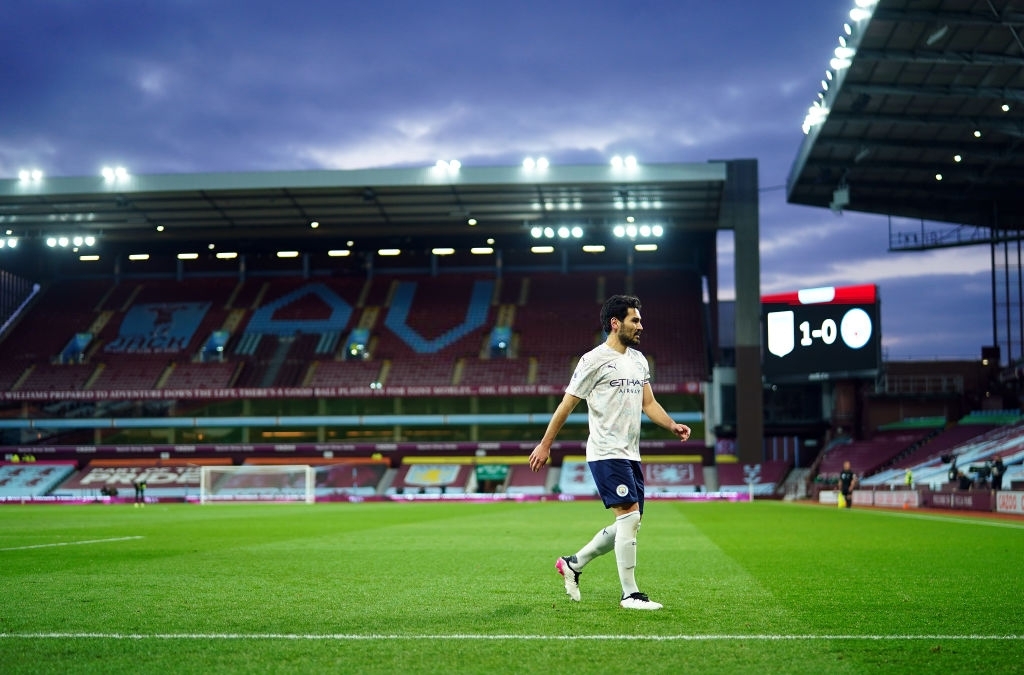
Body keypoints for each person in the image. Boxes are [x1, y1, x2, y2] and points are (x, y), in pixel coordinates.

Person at [528, 294, 691, 611]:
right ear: (616, 323)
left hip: (631, 454)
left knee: (631, 521)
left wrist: (671, 425)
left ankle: (574, 563)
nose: (641, 325)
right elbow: (567, 404)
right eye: (635, 320)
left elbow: (649, 404)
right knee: (629, 515)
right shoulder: (593, 360)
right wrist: (545, 443)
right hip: (605, 450)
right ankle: (630, 593)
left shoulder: (639, 360)